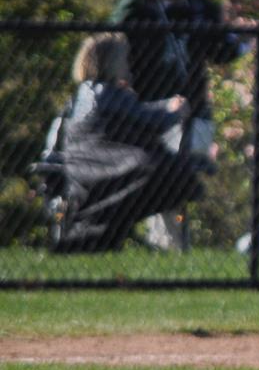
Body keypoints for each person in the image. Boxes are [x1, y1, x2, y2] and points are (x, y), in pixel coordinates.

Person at [110, 0, 241, 249]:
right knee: (157, 176)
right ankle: (165, 243)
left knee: (181, 175)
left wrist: (225, 37)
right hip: (147, 109)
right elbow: (112, 43)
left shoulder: (199, 9)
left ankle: (174, 243)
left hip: (193, 108)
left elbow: (223, 52)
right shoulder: (135, 8)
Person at [54, 32, 209, 252]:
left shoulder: (87, 93)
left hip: (86, 174)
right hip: (109, 174)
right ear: (109, 61)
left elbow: (137, 112)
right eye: (123, 58)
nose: (128, 63)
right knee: (173, 173)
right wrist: (175, 112)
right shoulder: (104, 92)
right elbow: (150, 121)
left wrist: (166, 106)